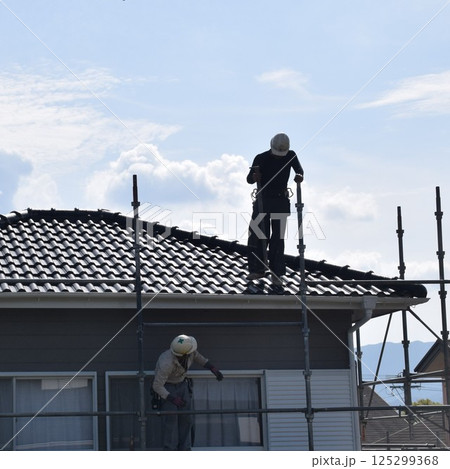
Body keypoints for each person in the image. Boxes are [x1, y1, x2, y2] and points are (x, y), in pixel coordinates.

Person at [246, 133, 303, 290]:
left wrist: (299, 175)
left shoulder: (290, 155)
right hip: (263, 200)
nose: (279, 156)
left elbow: (299, 170)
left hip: (280, 201)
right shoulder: (261, 158)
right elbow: (249, 179)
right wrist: (254, 176)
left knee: (278, 238)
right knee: (257, 234)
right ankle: (257, 270)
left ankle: (276, 273)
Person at [152, 334, 224, 451]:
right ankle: (170, 449)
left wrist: (213, 369)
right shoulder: (166, 363)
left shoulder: (188, 351)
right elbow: (157, 385)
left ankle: (185, 449)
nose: (192, 353)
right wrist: (172, 398)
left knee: (186, 419)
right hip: (167, 387)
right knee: (171, 420)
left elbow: (199, 358)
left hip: (182, 385)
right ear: (183, 355)